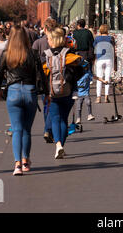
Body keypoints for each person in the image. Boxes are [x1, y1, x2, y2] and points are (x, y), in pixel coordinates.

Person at [0, 25, 49, 176]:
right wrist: (47, 93)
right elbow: (41, 74)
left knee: (16, 129)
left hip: (13, 92)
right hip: (30, 91)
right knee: (26, 130)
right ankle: (26, 160)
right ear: (25, 37)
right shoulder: (32, 53)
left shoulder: (7, 54)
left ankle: (17, 164)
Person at [43, 28, 82, 159]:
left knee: (55, 118)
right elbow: (81, 69)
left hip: (52, 92)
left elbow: (42, 74)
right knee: (63, 119)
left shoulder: (46, 56)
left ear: (52, 40)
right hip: (68, 91)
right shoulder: (69, 54)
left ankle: (58, 144)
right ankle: (61, 147)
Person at [32, 18, 58, 143]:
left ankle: (47, 129)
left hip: (43, 77)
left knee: (46, 103)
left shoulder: (38, 43)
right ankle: (49, 129)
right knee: (55, 103)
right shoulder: (58, 42)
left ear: (45, 29)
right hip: (56, 75)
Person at [93, 24, 115, 103]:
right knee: (107, 78)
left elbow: (94, 49)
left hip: (99, 59)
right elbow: (113, 50)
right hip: (108, 59)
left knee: (99, 78)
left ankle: (98, 98)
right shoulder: (111, 38)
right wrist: (115, 62)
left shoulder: (97, 38)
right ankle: (106, 97)